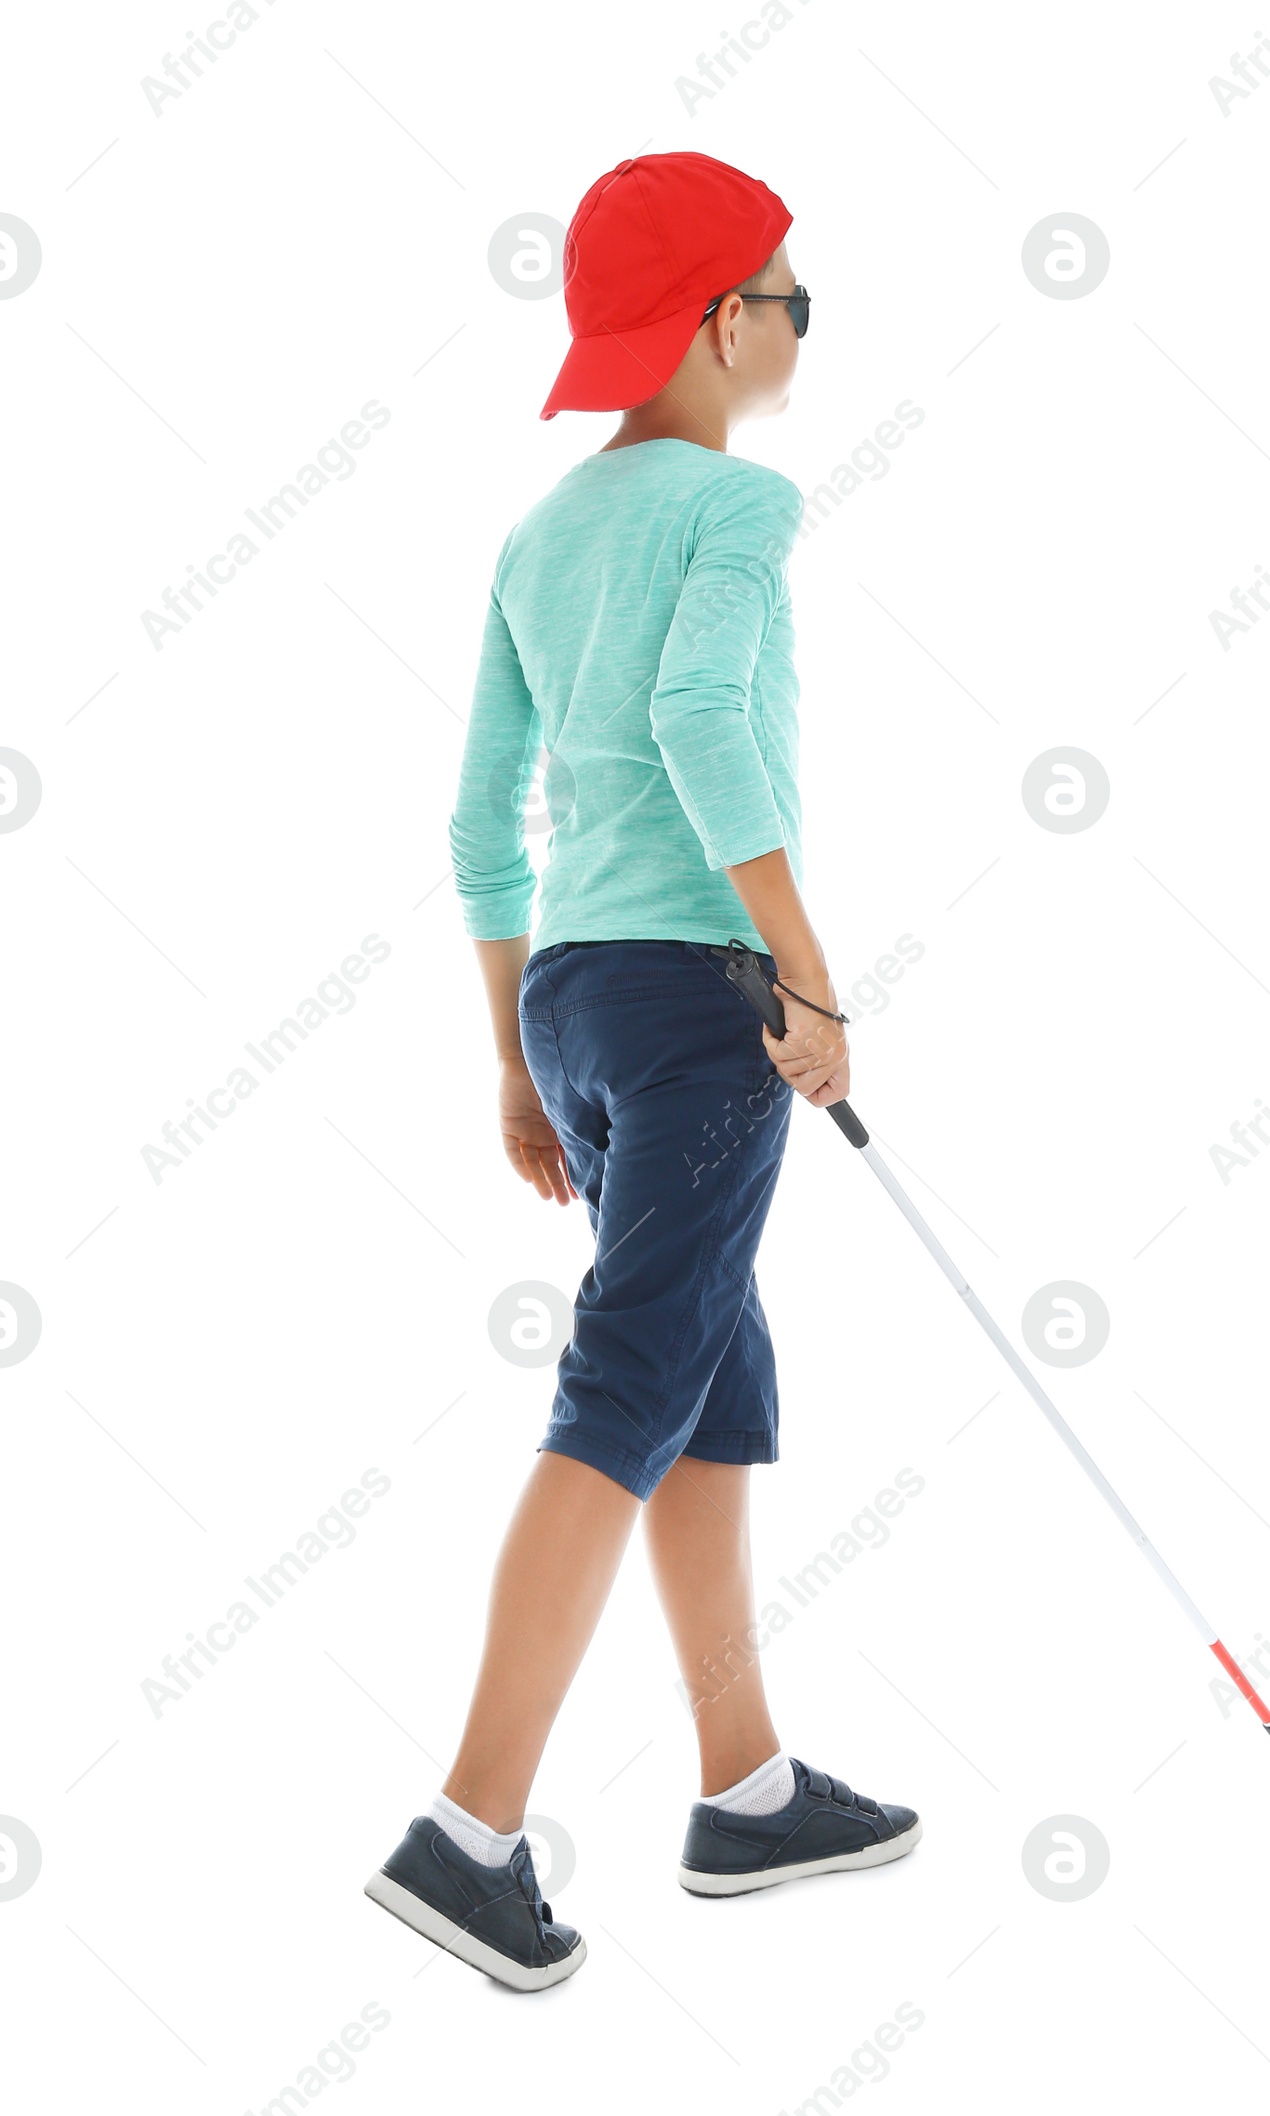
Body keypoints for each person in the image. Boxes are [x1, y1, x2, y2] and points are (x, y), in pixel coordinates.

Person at [364, 151, 919, 1993]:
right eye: (786, 298)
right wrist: (814, 978)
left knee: (711, 1362)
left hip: (582, 1005)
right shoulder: (734, 511)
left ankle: (744, 1786)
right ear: (714, 323)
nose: (795, 329)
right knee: (630, 1374)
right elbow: (695, 722)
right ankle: (468, 1828)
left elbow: (474, 827)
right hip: (701, 1001)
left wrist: (517, 1062)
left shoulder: (540, 534)